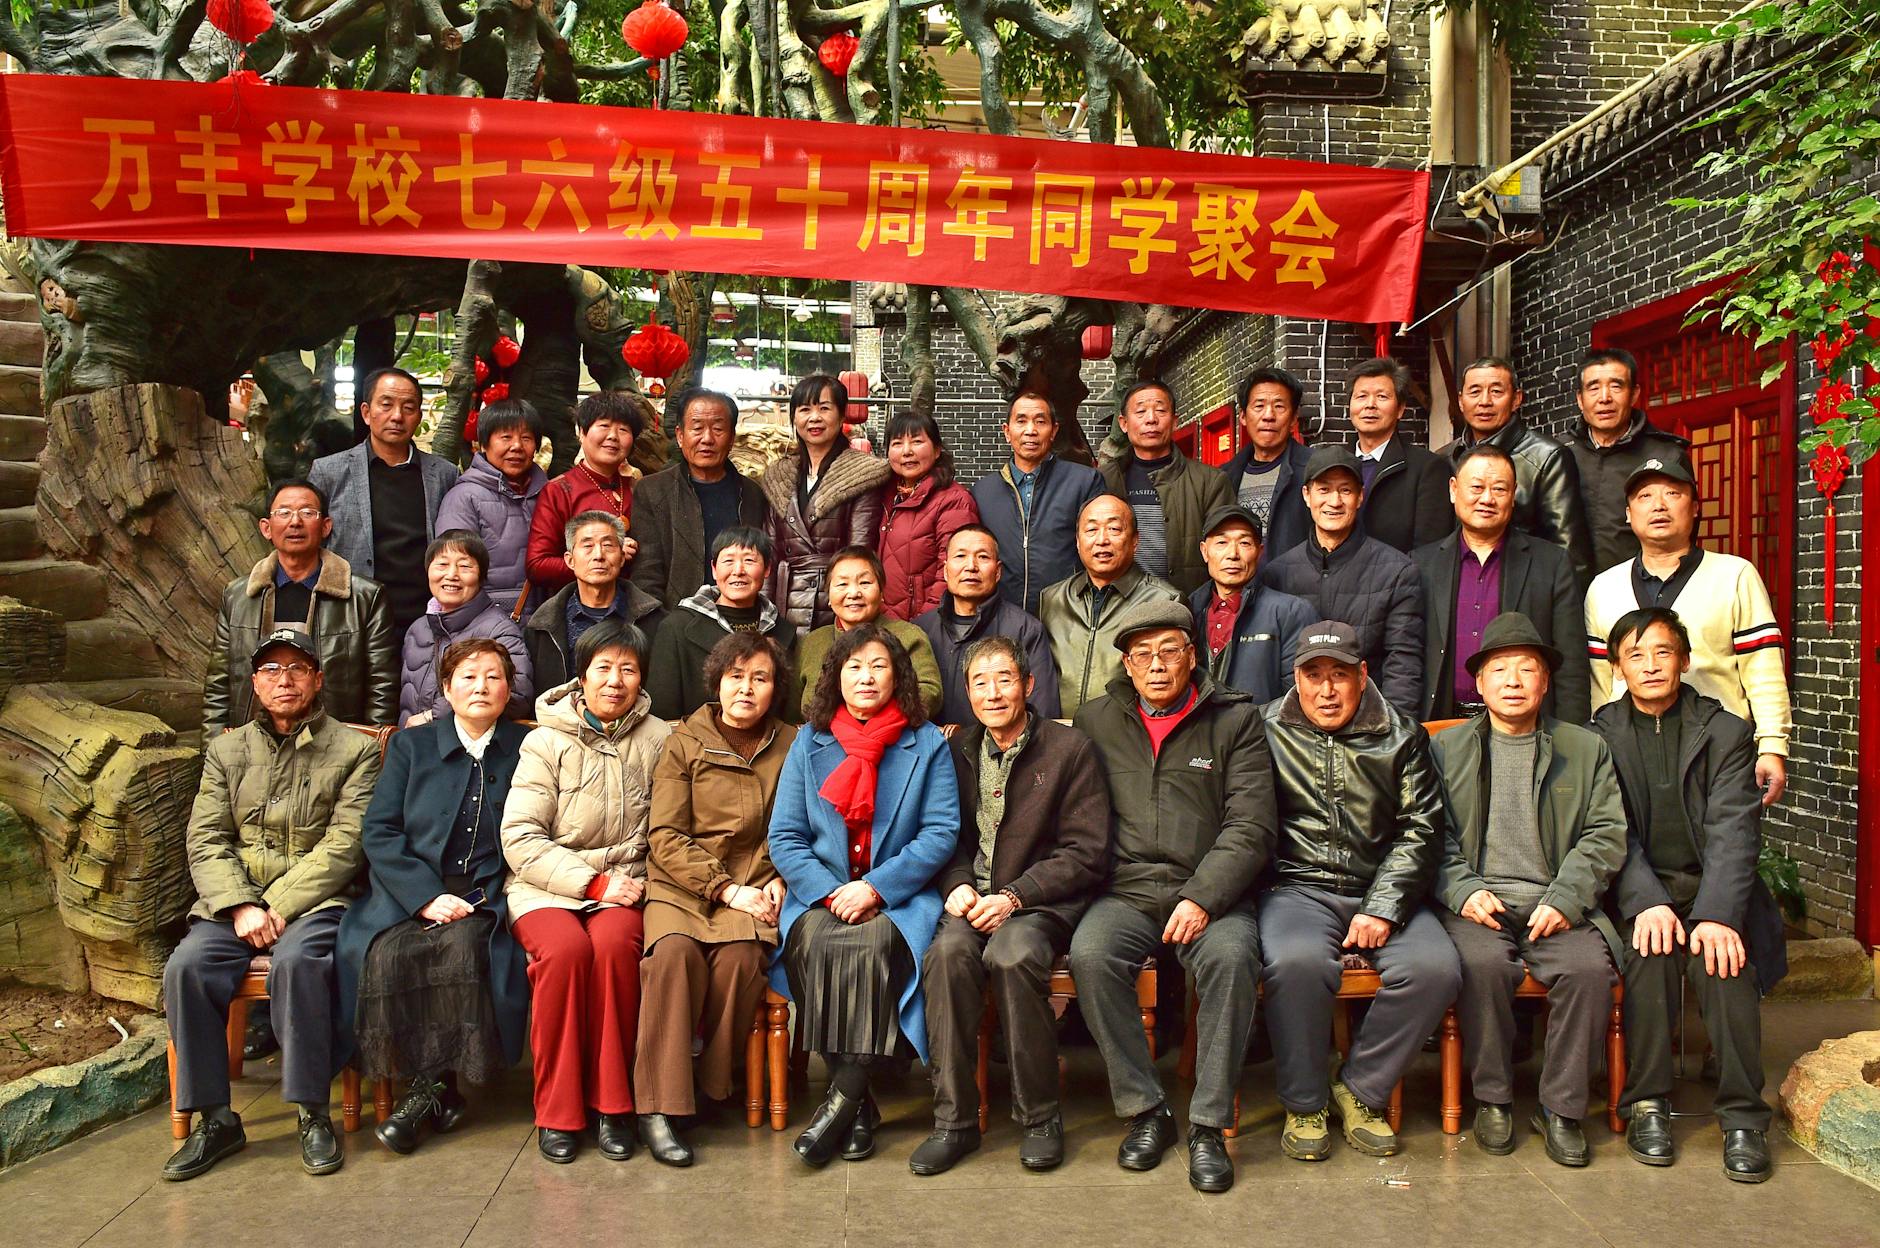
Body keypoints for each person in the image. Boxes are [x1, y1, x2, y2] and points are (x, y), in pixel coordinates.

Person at [1069, 600, 1274, 1194]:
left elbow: (1251, 826)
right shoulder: (1096, 720)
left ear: (1193, 655)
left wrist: (1204, 896)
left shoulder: (1236, 721)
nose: (1156, 665)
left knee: (1233, 959)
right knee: (1090, 954)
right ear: (1127, 666)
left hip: (1211, 893)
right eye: (1142, 655)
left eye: (1168, 651)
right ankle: (1145, 1110)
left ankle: (1208, 1126)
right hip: (1126, 892)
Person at [161, 627, 380, 1181]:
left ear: (318, 679)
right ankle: (215, 1118)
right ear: (255, 684)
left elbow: (346, 844)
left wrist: (277, 905)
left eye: (297, 669)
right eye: (271, 671)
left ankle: (311, 1112)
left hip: (317, 902)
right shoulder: (226, 750)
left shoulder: (355, 750)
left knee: (300, 964)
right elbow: (205, 838)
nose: (285, 680)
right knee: (187, 967)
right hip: (234, 903)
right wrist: (240, 906)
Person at [1591, 607, 1785, 1183]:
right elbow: (1610, 831)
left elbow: (1734, 828)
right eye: (1635, 655)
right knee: (1648, 955)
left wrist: (1718, 914)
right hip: (1641, 891)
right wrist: (1645, 900)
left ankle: (1744, 1118)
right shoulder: (1601, 735)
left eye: (1662, 652)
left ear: (1685, 660)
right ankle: (1648, 1103)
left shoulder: (1726, 731)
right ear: (1618, 667)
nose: (1650, 666)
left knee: (1723, 961)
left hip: (1711, 891)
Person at [1258, 621, 1459, 1161]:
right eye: (1314, 675)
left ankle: (1361, 1088)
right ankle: (1304, 1103)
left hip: (1381, 885)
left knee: (1435, 968)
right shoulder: (1265, 728)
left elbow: (1421, 828)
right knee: (1297, 963)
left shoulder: (1401, 734)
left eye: (1340, 676)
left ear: (1363, 676)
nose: (1327, 690)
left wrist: (1384, 907)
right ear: (1295, 679)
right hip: (1296, 887)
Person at [1431, 612, 1626, 1168]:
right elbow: (1426, 833)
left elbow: (1606, 832)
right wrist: (1462, 889)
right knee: (1482, 967)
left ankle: (1561, 1108)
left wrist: (1566, 899)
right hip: (1478, 906)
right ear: (1480, 682)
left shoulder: (1583, 749)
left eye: (1527, 669)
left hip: (1557, 903)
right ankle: (1492, 1097)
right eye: (1500, 669)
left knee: (1590, 971)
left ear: (1545, 681)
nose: (1513, 680)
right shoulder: (1448, 750)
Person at [911, 636, 1110, 1175]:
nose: (993, 692)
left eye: (1004, 679)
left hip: (1041, 902)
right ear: (967, 693)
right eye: (979, 681)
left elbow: (1087, 851)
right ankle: (953, 1121)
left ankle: (1040, 1116)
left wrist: (1016, 896)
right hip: (971, 897)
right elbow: (943, 834)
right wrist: (954, 883)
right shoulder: (955, 752)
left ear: (1028, 685)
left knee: (1012, 956)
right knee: (947, 957)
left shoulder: (1070, 750)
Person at [766, 625, 960, 1168]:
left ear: (898, 675)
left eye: (879, 665)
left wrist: (875, 887)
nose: (867, 676)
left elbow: (940, 831)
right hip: (821, 894)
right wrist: (832, 892)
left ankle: (841, 1105)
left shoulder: (926, 743)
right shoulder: (811, 740)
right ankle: (858, 1108)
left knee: (874, 945)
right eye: (854, 666)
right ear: (836, 678)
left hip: (899, 896)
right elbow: (785, 836)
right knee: (817, 943)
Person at [337, 639, 532, 1156]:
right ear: (446, 687)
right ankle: (430, 1090)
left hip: (485, 895)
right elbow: (379, 831)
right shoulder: (411, 746)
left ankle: (435, 1090)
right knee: (387, 952)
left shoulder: (526, 747)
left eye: (493, 677)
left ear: (509, 688)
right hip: (410, 891)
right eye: (468, 677)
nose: (481, 687)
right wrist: (424, 897)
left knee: (466, 947)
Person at [500, 619, 673, 1163]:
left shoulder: (661, 738)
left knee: (616, 951)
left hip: (627, 886)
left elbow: (669, 829)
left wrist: (629, 885)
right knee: (565, 954)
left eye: (628, 669)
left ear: (642, 678)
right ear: (581, 677)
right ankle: (558, 1111)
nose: (615, 680)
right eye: (603, 667)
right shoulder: (545, 740)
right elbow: (520, 837)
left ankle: (612, 1105)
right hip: (545, 884)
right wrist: (591, 882)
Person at [635, 632, 798, 1167]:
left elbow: (802, 827)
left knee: (742, 961)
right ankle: (658, 1108)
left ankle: (707, 1088)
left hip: (755, 885)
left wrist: (780, 877)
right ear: (717, 682)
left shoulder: (793, 744)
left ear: (775, 689)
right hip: (683, 885)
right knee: (673, 957)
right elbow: (664, 836)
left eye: (760, 678)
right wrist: (726, 888)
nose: (746, 689)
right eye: (736, 677)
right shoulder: (685, 740)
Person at [1586, 457, 1791, 806]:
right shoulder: (1603, 587)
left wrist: (1772, 745)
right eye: (1645, 496)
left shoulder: (1734, 576)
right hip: (1630, 754)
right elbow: (1601, 681)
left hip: (1716, 749)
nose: (1659, 505)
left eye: (1672, 493)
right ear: (1628, 513)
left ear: (1695, 508)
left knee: (1723, 848)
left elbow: (1763, 669)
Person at [204, 478, 397, 733]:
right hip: (254, 743)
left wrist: (371, 751)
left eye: (307, 512)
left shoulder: (365, 597)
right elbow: (218, 685)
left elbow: (382, 686)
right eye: (284, 513)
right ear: (266, 528)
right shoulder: (238, 596)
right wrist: (213, 755)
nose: (295, 522)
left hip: (335, 745)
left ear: (326, 526)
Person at [1413, 445, 1589, 723]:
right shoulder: (1421, 564)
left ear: (1514, 494)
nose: (1487, 499)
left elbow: (1571, 664)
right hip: (1442, 724)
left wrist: (1572, 735)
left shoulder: (1551, 563)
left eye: (1499, 489)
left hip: (1526, 725)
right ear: (1453, 489)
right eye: (1477, 487)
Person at [1260, 446, 1424, 717]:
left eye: (1345, 490)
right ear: (1306, 495)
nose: (1334, 501)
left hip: (1369, 724)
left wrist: (1393, 737)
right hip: (1296, 729)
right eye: (1323, 490)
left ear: (1360, 496)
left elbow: (1403, 666)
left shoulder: (1397, 572)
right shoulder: (1278, 573)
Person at [308, 366, 461, 638]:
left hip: (426, 619)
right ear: (366, 413)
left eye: (408, 407)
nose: (397, 416)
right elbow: (312, 546)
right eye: (386, 405)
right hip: (353, 618)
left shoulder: (444, 474)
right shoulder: (329, 472)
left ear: (419, 417)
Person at [1437, 358, 1595, 587]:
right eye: (1475, 392)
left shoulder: (1547, 457)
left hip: (1522, 588)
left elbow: (1569, 552)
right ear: (1461, 401)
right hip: (1456, 586)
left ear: (1516, 399)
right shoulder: (1445, 457)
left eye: (1496, 391)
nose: (1484, 402)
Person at [760, 373, 892, 628]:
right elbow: (770, 553)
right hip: (783, 604)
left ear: (841, 416)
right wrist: (764, 615)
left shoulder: (862, 473)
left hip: (836, 602)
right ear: (794, 417)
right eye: (805, 409)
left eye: (824, 408)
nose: (814, 418)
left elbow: (859, 551)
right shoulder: (778, 475)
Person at [1038, 494, 1182, 717]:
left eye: (1114, 529)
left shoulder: (1165, 601)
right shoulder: (1052, 599)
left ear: (1135, 540)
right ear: (1077, 541)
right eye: (1091, 530)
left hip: (1125, 740)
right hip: (1059, 738)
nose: (1102, 540)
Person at [970, 391, 1109, 613]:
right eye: (1021, 421)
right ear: (1007, 432)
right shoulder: (982, 492)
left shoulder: (1085, 482)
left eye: (1040, 421)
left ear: (1053, 431)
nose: (1030, 431)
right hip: (999, 616)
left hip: (1068, 614)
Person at [629, 388, 767, 610]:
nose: (707, 439)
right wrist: (661, 627)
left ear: (732, 438)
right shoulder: (652, 491)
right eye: (697, 428)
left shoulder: (752, 493)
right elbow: (647, 574)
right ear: (680, 436)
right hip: (675, 623)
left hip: (740, 620)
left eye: (718, 429)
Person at [648, 526, 800, 721]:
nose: (738, 571)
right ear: (713, 569)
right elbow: (662, 713)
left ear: (767, 569)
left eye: (749, 560)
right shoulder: (677, 626)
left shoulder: (783, 631)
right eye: (728, 561)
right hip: (695, 745)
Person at [913, 525, 1060, 726]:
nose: (971, 566)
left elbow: (1043, 714)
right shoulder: (921, 630)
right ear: (946, 571)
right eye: (960, 556)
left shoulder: (1025, 629)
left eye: (982, 557)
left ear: (998, 572)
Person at [1097, 379, 1233, 595]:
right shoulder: (1103, 480)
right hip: (1118, 607)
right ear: (1123, 423)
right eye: (1140, 412)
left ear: (1174, 421)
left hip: (1187, 607)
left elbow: (1226, 550)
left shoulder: (1209, 481)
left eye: (1160, 410)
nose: (1151, 419)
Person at [1565, 348, 1692, 572]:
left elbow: (1684, 530)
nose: (1605, 398)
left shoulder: (1666, 455)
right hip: (1566, 591)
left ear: (1634, 394)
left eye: (1616, 386)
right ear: (1580, 399)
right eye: (1593, 388)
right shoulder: (1560, 453)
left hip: (1637, 588)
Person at [397, 531, 532, 727]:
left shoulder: (499, 631)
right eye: (442, 565)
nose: (451, 575)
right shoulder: (417, 629)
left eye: (464, 566)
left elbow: (518, 694)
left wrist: (432, 716)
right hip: (415, 749)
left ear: (481, 576)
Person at [794, 547, 945, 720]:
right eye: (842, 584)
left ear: (881, 592)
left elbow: (930, 692)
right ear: (828, 595)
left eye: (865, 583)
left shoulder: (908, 636)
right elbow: (793, 711)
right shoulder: (813, 641)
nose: (854, 593)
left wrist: (870, 720)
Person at [525, 511, 667, 693]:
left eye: (608, 545)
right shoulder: (543, 627)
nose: (599, 555)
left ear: (622, 557)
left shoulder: (654, 620)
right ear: (570, 560)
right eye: (588, 546)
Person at [524, 391, 650, 596]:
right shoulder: (559, 490)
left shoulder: (639, 488)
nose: (613, 436)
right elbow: (537, 565)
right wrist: (601, 560)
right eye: (604, 426)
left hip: (634, 607)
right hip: (579, 607)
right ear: (581, 432)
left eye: (623, 429)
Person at [1189, 503, 1315, 703]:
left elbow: (1298, 696)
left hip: (1262, 731)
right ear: (1205, 551)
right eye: (1221, 542)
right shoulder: (1188, 610)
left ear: (1259, 551)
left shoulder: (1290, 612)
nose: (1233, 554)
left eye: (1244, 543)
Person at [433, 397, 548, 617]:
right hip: (486, 621)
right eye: (506, 437)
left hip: (544, 619)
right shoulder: (464, 498)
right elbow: (454, 570)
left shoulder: (549, 494)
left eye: (526, 438)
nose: (517, 446)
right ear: (483, 444)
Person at [876, 410, 980, 621]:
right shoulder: (882, 495)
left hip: (923, 624)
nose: (906, 451)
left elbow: (952, 569)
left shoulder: (954, 501)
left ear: (937, 449)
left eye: (916, 441)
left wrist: (926, 623)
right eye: (897, 443)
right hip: (881, 620)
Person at [1347, 357, 1452, 552]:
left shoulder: (1428, 469)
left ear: (1400, 409)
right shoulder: (1334, 463)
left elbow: (1429, 550)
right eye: (1361, 396)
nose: (1370, 405)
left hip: (1398, 580)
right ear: (1350, 406)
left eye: (1382, 397)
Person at [1217, 366, 1313, 562]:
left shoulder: (1313, 470)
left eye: (1279, 406)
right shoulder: (1222, 477)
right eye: (1259, 406)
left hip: (1295, 588)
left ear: (1294, 418)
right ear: (1243, 416)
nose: (1268, 415)